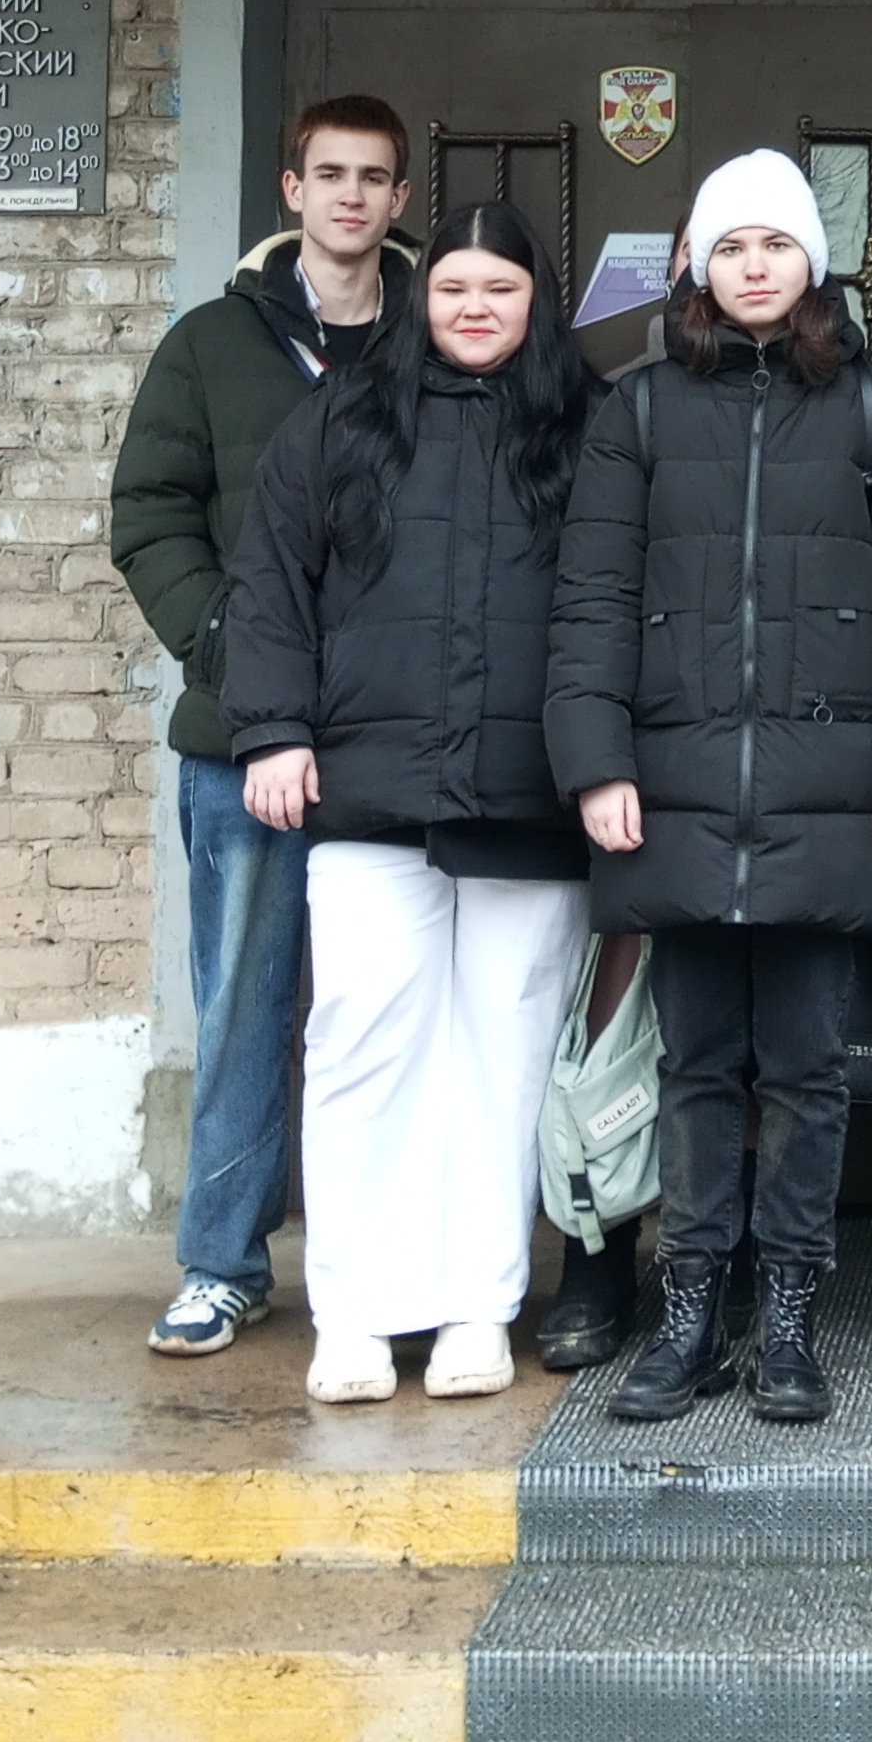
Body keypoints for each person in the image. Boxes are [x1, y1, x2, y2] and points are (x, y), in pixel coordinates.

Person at [544, 150, 872, 1425]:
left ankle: (787, 1317)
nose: (754, 268)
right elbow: (592, 599)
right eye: (730, 247)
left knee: (804, 1070)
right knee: (693, 1065)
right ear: (698, 265)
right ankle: (688, 1310)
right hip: (671, 793)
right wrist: (596, 763)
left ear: (812, 262)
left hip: (826, 795)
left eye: (776, 245)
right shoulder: (636, 410)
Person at [223, 201, 605, 1404]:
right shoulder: (343, 418)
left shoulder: (587, 426)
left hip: (529, 801)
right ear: (419, 296)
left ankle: (477, 1309)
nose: (475, 309)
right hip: (368, 794)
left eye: (500, 288)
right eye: (453, 288)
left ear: (536, 301)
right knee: (361, 1046)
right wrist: (273, 729)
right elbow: (271, 579)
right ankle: (355, 1314)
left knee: (505, 1054)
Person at [109, 95, 413, 1359]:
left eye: (374, 178)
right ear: (291, 190)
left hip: (394, 739)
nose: (351, 196)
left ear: (399, 199)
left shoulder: (434, 341)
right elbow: (148, 514)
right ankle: (222, 1262)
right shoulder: (210, 344)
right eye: (329, 175)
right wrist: (229, 653)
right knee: (243, 1000)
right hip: (242, 742)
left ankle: (380, 1261)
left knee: (388, 1008)